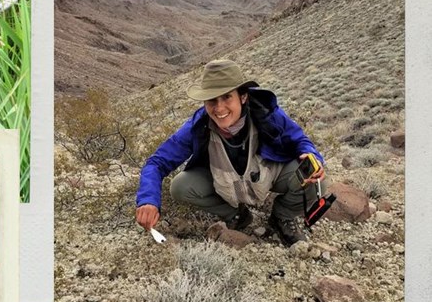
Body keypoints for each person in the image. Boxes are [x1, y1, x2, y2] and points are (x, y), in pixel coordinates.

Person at [135, 59, 326, 246]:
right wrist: (148, 200)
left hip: (269, 173)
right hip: (223, 179)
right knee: (181, 186)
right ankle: (236, 215)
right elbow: (157, 163)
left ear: (243, 97)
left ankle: (282, 217)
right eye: (211, 100)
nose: (219, 108)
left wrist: (312, 155)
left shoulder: (266, 113)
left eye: (227, 97)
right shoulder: (198, 127)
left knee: (313, 177)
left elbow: (300, 139)